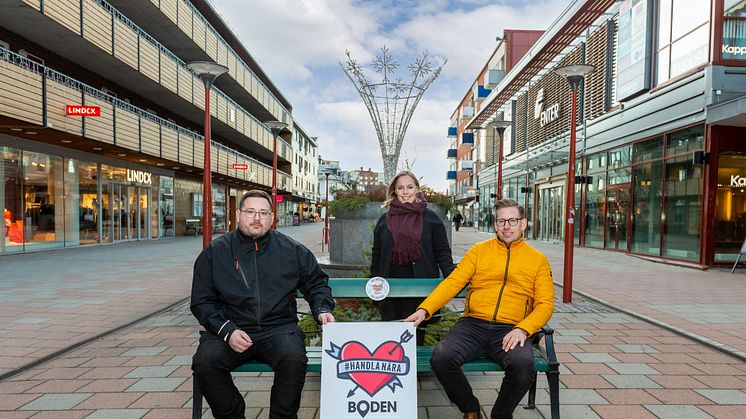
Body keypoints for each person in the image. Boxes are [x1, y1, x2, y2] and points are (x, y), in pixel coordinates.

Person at [191, 190, 335, 419]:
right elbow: (201, 300)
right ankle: (232, 414)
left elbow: (316, 282)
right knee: (205, 362)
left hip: (278, 328)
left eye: (263, 213)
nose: (256, 218)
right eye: (250, 212)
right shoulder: (216, 252)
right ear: (238, 214)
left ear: (271, 217)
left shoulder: (292, 250)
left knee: (293, 359)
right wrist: (227, 330)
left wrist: (322, 308)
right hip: (230, 328)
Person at [406, 198, 554, 419]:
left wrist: (523, 329)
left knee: (523, 366)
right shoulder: (479, 251)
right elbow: (453, 282)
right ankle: (471, 409)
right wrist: (425, 310)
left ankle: (500, 415)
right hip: (473, 324)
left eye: (512, 220)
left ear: (524, 224)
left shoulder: (538, 260)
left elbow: (545, 304)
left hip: (511, 329)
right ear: (495, 224)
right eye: (501, 221)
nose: (506, 226)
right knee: (441, 357)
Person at [370, 170, 455, 345]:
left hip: (420, 287)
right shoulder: (384, 220)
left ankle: (413, 372)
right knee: (391, 335)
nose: (405, 191)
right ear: (394, 191)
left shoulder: (431, 219)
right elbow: (377, 255)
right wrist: (374, 284)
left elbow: (442, 252)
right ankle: (394, 371)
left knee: (415, 336)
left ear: (417, 189)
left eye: (409, 187)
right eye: (400, 188)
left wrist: (453, 278)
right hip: (390, 288)